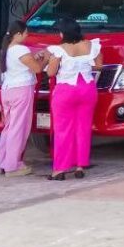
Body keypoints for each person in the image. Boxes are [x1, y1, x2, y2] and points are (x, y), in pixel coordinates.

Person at [43, 17, 101, 182]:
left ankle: (60, 169)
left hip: (66, 90)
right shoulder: (92, 45)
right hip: (87, 89)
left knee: (63, 130)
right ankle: (80, 166)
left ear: (63, 33)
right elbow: (98, 66)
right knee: (83, 127)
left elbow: (51, 73)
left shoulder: (58, 49)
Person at [0, 20, 43, 177]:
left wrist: (34, 57)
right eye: (26, 33)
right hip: (21, 90)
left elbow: (23, 63)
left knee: (8, 128)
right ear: (18, 34)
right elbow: (36, 68)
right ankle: (12, 166)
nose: (27, 35)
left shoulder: (7, 49)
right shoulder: (20, 49)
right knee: (19, 129)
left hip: (8, 90)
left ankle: (2, 163)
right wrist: (45, 59)